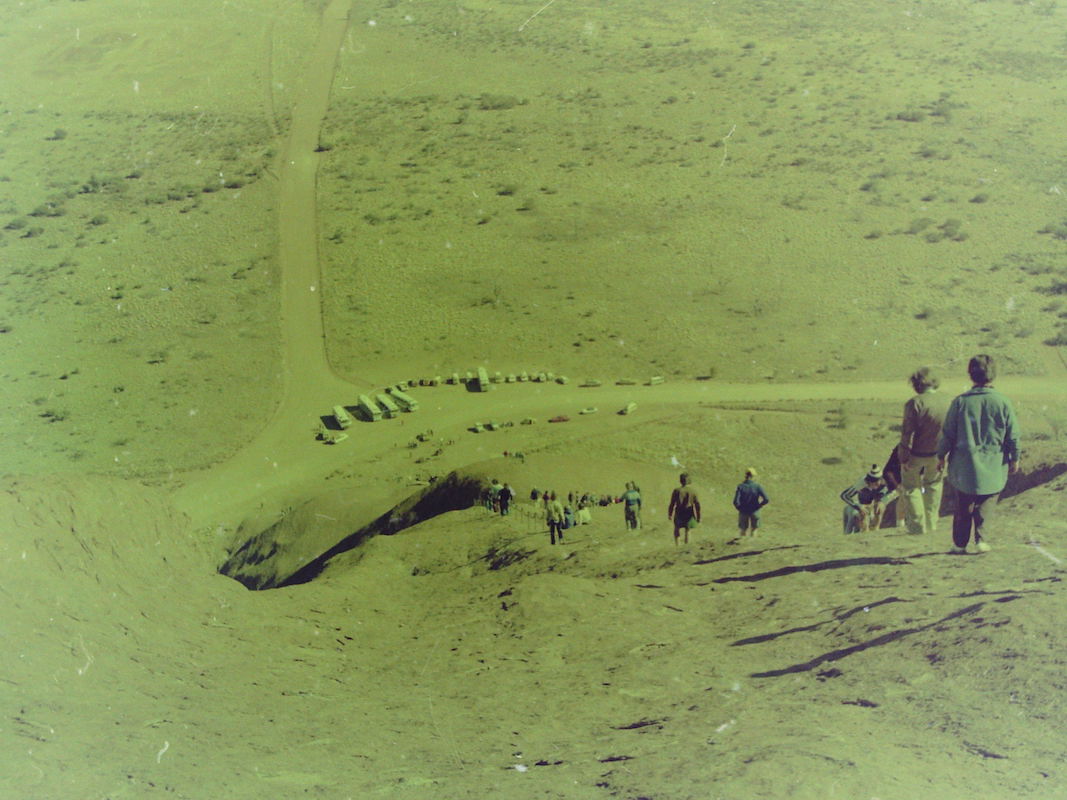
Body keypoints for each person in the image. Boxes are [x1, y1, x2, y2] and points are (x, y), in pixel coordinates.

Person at [937, 355, 1020, 554]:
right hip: (993, 464)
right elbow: (1013, 435)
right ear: (994, 375)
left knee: (963, 504)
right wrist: (1015, 458)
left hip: (964, 466)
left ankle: (959, 544)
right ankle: (982, 540)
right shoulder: (1003, 402)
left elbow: (948, 433)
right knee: (987, 501)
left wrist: (940, 456)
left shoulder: (960, 403)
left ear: (971, 374)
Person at [898, 367, 950, 534]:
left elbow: (907, 432)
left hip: (916, 453)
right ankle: (931, 523)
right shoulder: (948, 400)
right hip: (938, 454)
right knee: (934, 485)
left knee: (911, 487)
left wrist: (903, 456)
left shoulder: (915, 403)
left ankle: (917, 525)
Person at [841, 465, 889, 533]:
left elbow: (891, 493)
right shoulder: (861, 483)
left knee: (880, 508)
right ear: (869, 481)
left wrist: (881, 502)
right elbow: (844, 495)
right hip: (859, 506)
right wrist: (859, 507)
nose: (877, 484)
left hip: (872, 505)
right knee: (859, 516)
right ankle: (864, 531)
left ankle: (876, 529)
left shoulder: (884, 483)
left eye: (878, 482)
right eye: (874, 483)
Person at [733, 467, 769, 537]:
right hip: (755, 510)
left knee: (743, 530)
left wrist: (740, 509)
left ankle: (741, 545)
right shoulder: (757, 486)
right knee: (754, 529)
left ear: (745, 475)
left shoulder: (741, 486)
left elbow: (735, 501)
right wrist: (759, 505)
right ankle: (752, 545)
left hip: (743, 511)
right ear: (753, 476)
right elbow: (766, 499)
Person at [667, 473, 701, 545]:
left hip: (679, 512)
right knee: (688, 529)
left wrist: (670, 514)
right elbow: (697, 505)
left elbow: (672, 503)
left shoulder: (676, 490)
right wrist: (698, 516)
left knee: (677, 528)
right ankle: (687, 545)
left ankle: (677, 545)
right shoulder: (693, 491)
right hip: (689, 512)